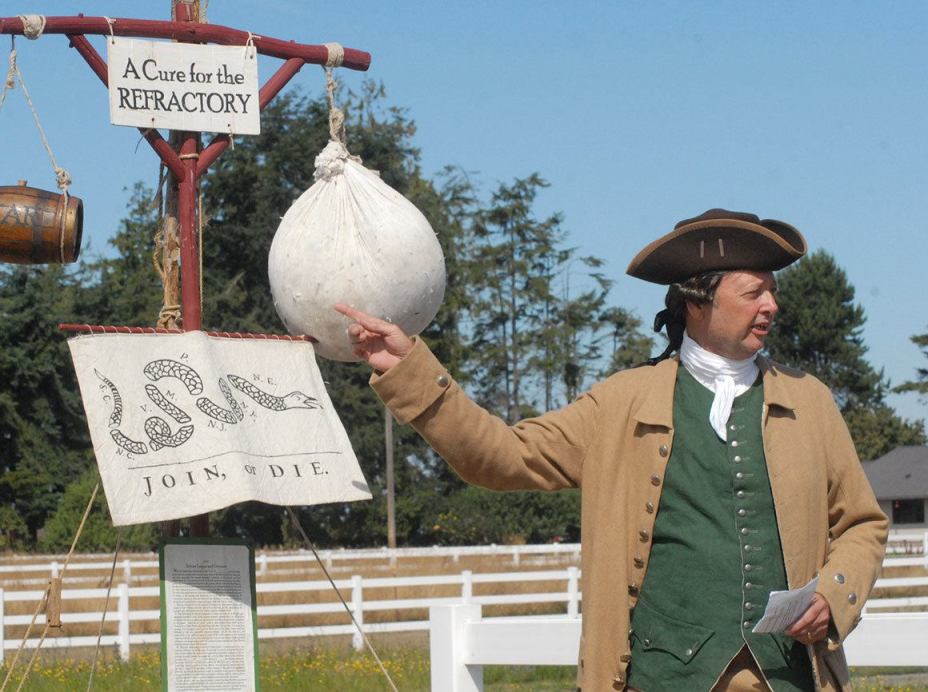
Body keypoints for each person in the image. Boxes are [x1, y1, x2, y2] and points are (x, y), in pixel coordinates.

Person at [336, 209, 887, 691]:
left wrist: (834, 597)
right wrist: (411, 371)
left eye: (772, 290)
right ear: (697, 299)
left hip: (789, 681)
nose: (771, 304)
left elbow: (863, 523)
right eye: (752, 292)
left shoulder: (811, 403)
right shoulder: (621, 402)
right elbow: (503, 456)